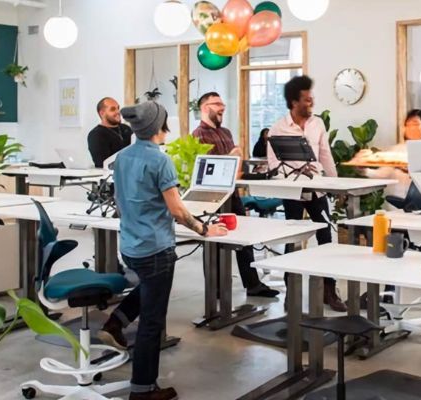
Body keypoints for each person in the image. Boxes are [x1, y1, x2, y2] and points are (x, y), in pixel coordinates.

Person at [99, 100, 228, 400]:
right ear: (159, 126)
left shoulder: (122, 157)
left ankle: (115, 322)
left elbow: (121, 199)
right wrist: (205, 229)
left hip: (130, 244)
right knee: (152, 321)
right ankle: (142, 390)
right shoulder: (159, 161)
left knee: (148, 287)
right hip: (154, 248)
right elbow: (177, 211)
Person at [266, 75, 346, 312]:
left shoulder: (317, 124)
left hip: (317, 189)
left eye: (312, 99)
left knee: (325, 239)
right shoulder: (278, 128)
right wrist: (291, 177)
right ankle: (291, 294)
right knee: (292, 243)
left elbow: (325, 156)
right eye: (306, 100)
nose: (311, 103)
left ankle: (329, 291)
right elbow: (273, 164)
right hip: (292, 192)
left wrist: (336, 185)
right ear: (294, 102)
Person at [192, 92, 278, 298]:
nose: (222, 107)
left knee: (244, 238)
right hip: (213, 198)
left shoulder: (226, 133)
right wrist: (231, 157)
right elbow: (212, 169)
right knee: (214, 242)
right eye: (216, 104)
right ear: (205, 108)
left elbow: (235, 167)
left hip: (233, 194)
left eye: (222, 103)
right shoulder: (198, 136)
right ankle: (216, 290)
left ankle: (253, 284)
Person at [370, 109, 421, 211]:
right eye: (408, 125)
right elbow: (382, 174)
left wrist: (411, 170)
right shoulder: (396, 150)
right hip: (397, 203)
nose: (412, 128)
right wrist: (364, 170)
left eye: (416, 124)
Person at [88, 97, 133, 168]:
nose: (118, 112)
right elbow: (102, 163)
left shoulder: (126, 128)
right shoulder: (96, 135)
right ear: (102, 113)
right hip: (110, 176)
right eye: (112, 109)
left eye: (118, 108)